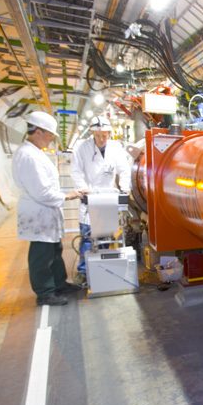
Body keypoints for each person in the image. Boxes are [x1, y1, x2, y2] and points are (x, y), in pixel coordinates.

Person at [12, 111, 83, 306]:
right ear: (38, 131)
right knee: (41, 255)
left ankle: (59, 284)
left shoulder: (35, 153)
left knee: (54, 250)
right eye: (50, 135)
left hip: (46, 212)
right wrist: (68, 195)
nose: (51, 139)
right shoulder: (28, 156)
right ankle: (45, 293)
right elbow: (41, 192)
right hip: (38, 213)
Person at [70, 116, 132, 284]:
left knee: (105, 237)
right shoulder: (82, 148)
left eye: (105, 135)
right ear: (93, 133)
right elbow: (76, 171)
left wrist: (125, 188)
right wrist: (83, 188)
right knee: (88, 238)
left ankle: (102, 268)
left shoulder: (116, 147)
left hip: (107, 197)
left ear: (109, 133)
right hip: (90, 196)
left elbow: (124, 170)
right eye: (98, 135)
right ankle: (83, 271)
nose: (102, 138)